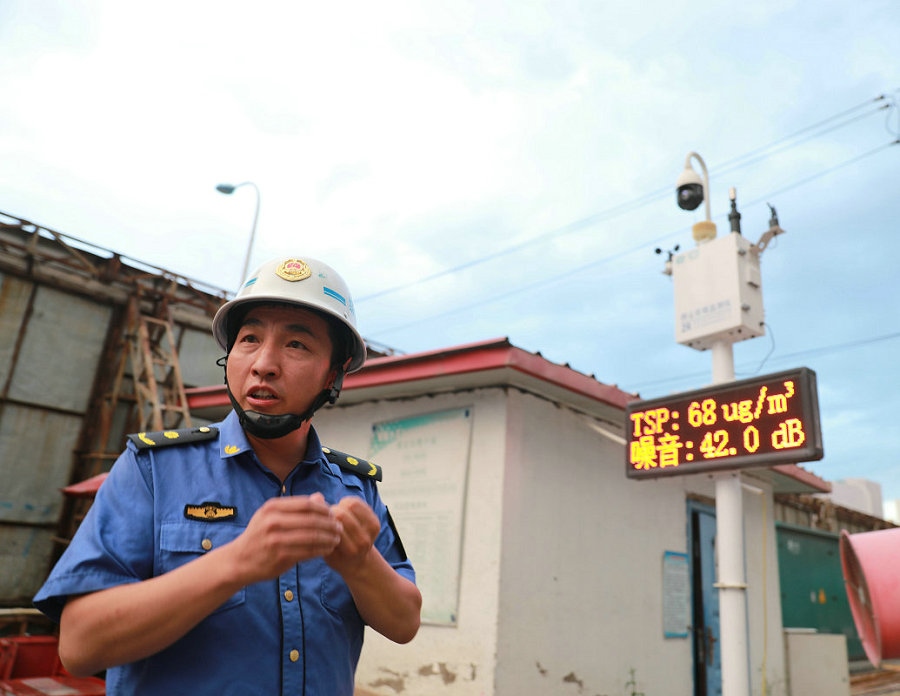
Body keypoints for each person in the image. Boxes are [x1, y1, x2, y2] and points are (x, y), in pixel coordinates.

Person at [34, 256, 421, 695]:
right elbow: (80, 646)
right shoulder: (153, 471)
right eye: (250, 339)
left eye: (297, 344)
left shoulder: (354, 489)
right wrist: (236, 563)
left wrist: (359, 563)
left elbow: (405, 622)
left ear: (333, 372)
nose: (264, 364)